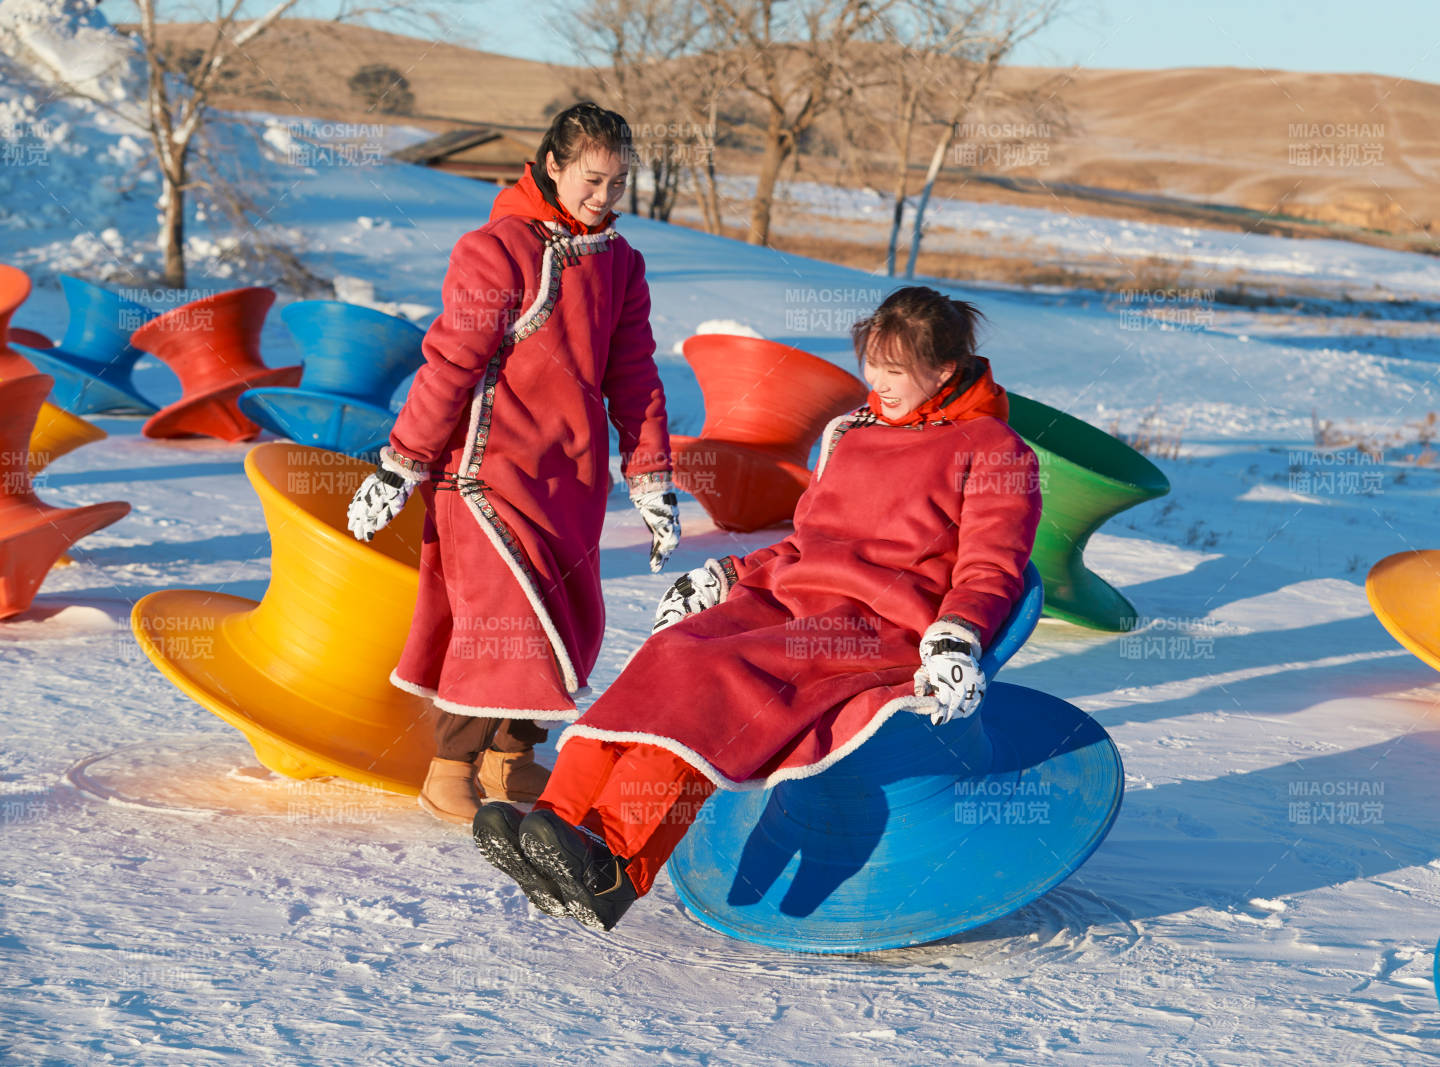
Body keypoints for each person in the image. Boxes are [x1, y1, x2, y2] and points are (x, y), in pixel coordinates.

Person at [472, 286, 1043, 931]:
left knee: (718, 678)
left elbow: (993, 564)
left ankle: (614, 860)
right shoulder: (854, 434)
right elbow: (808, 541)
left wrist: (956, 634)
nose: (876, 383)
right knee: (672, 652)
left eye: (894, 370)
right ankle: (559, 820)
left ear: (943, 371)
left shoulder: (996, 451)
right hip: (789, 597)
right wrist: (730, 573)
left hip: (871, 625)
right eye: (871, 365)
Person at [346, 103, 679, 825]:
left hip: (571, 478)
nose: (605, 197)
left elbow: (635, 374)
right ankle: (449, 767)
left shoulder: (621, 263)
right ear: (552, 165)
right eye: (593, 179)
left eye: (619, 184)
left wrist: (650, 476)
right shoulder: (496, 250)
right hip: (485, 472)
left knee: (566, 620)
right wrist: (401, 463)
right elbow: (450, 366)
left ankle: (512, 758)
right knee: (498, 623)